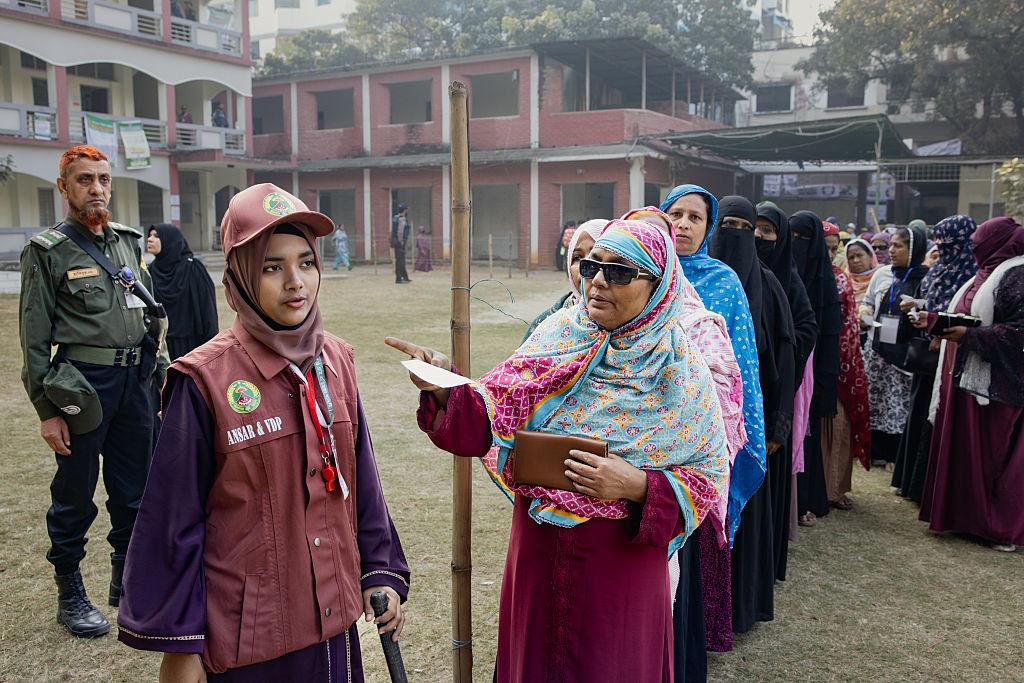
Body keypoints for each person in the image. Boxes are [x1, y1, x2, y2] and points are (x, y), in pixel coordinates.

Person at [390, 218, 729, 681]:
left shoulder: (681, 372)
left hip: (620, 565)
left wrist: (636, 484)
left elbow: (706, 478)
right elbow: (485, 420)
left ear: (660, 286)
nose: (599, 282)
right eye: (592, 267)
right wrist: (447, 388)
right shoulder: (556, 337)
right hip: (538, 552)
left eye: (621, 272)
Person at [117, 184, 410, 678]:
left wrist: (379, 568)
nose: (295, 282)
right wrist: (181, 647)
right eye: (272, 267)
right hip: (252, 639)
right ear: (241, 276)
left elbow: (361, 478)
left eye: (306, 262)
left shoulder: (336, 360)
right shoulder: (204, 381)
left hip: (333, 626)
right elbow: (175, 521)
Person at [18, 145, 169, 638]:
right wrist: (47, 411)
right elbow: (35, 341)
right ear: (64, 188)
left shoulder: (126, 243)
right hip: (82, 384)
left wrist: (160, 375)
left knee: (134, 490)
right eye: (85, 180)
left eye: (103, 179)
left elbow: (148, 313)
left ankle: (125, 582)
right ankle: (70, 592)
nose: (97, 189)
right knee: (75, 493)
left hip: (134, 382)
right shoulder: (48, 251)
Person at [661, 185, 765, 662]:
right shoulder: (637, 267)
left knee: (693, 537)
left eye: (695, 218)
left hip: (701, 431)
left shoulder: (723, 281)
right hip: (643, 428)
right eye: (675, 214)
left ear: (708, 228)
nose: (683, 224)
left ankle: (687, 642)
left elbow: (738, 366)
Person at [709, 196, 796, 636]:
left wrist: (777, 424)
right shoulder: (696, 281)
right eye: (729, 225)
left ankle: (738, 611)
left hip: (748, 422)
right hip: (701, 427)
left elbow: (783, 357)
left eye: (747, 227)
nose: (739, 236)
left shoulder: (768, 287)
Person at [919, 216, 1024, 552]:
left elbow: (1018, 334)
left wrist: (969, 336)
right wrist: (935, 323)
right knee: (967, 453)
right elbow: (968, 314)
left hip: (997, 388)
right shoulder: (986, 272)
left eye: (980, 242)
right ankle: (966, 519)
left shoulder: (1017, 273)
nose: (974, 248)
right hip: (963, 378)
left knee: (994, 458)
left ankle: (996, 527)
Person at [892, 216, 977, 503]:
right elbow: (932, 300)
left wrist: (941, 331)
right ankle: (909, 482)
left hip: (949, 357)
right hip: (924, 355)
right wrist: (918, 308)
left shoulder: (970, 274)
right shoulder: (939, 269)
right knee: (918, 413)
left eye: (947, 243)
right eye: (938, 243)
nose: (942, 249)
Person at [754, 202, 818, 576]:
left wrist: (781, 348)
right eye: (754, 228)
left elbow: (807, 327)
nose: (760, 237)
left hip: (776, 391)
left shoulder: (787, 282)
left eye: (768, 230)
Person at [859, 223, 929, 468]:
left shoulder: (926, 277)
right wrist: (865, 311)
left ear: (914, 250)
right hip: (878, 349)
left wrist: (917, 305)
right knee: (877, 401)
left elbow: (930, 309)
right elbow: (868, 300)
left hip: (905, 353)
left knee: (899, 404)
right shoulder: (883, 274)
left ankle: (894, 455)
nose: (892, 251)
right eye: (891, 246)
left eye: (898, 246)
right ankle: (875, 450)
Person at [789, 211, 842, 526]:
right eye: (791, 236)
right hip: (790, 367)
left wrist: (822, 379)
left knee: (807, 437)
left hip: (813, 372)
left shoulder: (825, 281)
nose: (797, 245)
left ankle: (808, 500)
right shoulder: (779, 272)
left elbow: (831, 335)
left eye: (804, 240)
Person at [820, 222, 871, 511]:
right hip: (809, 363)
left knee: (837, 426)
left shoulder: (840, 280)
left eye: (832, 249)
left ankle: (834, 488)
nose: (828, 255)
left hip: (837, 365)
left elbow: (848, 325)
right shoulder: (800, 274)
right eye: (823, 248)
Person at [147, 224, 218, 361]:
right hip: (161, 349)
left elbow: (208, 311)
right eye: (150, 235)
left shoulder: (193, 269)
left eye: (156, 236)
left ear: (170, 241)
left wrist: (211, 350)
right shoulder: (151, 272)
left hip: (192, 347)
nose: (149, 239)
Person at [390, 203, 411, 283]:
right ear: (405, 210)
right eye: (407, 209)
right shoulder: (402, 219)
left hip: (395, 240)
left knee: (400, 259)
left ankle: (405, 277)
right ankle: (399, 278)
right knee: (400, 260)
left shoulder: (395, 217)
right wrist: (401, 241)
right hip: (400, 241)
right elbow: (400, 232)